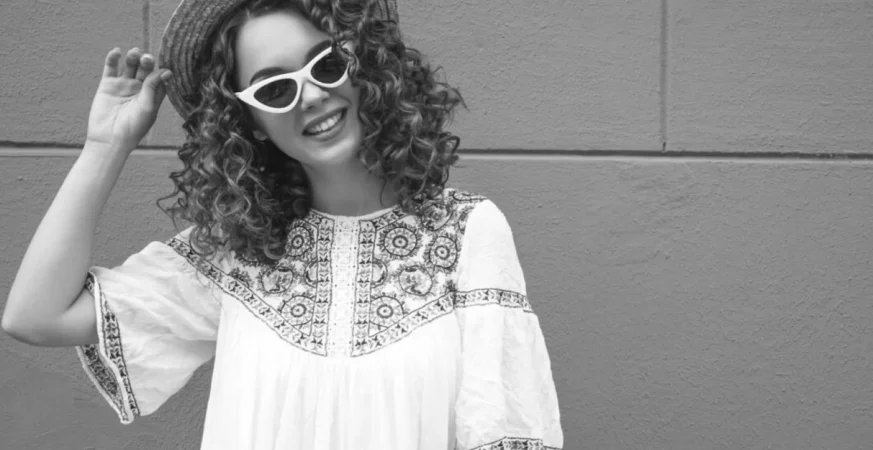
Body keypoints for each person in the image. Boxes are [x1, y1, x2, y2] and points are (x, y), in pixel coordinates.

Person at [2, 0, 564, 448]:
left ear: (364, 64)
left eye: (327, 64)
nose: (313, 95)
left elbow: (507, 429)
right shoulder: (237, 251)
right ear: (249, 121)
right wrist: (105, 146)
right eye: (275, 89)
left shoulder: (466, 231)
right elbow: (35, 317)